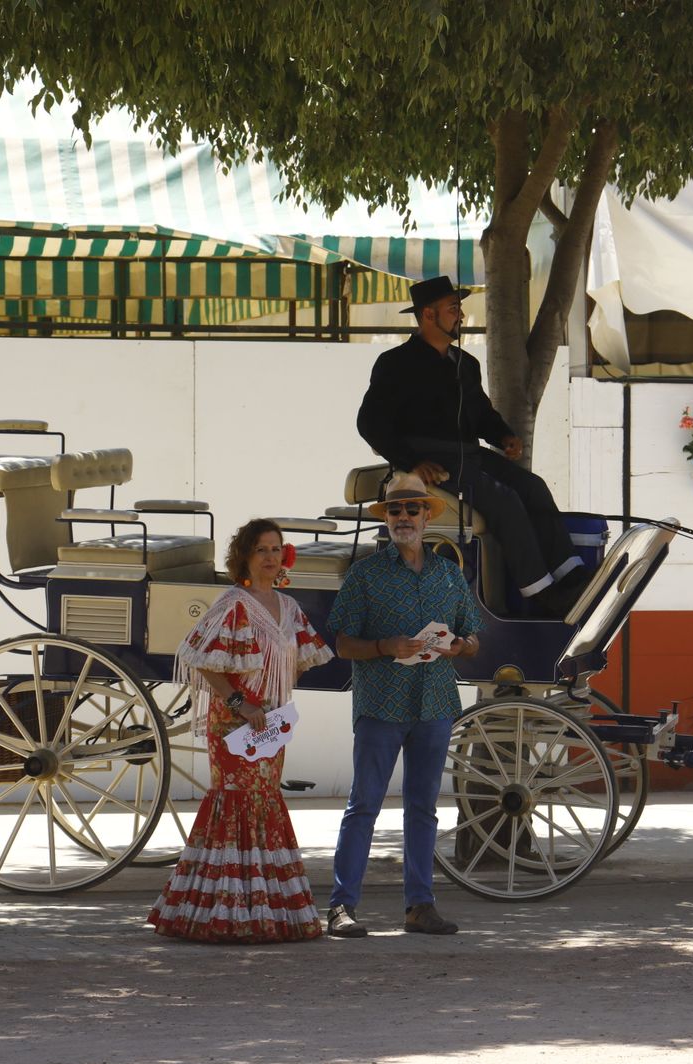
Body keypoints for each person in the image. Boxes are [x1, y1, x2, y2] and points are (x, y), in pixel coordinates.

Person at [355, 275, 588, 617]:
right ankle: (541, 591)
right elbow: (370, 423)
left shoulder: (467, 365)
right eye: (453, 309)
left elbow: (482, 416)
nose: (461, 316)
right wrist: (414, 462)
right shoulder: (395, 364)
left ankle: (572, 573)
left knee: (532, 486)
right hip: (431, 462)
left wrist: (504, 436)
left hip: (470, 455)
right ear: (428, 315)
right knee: (503, 500)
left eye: (459, 309)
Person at [147, 518, 334, 943]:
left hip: (269, 724)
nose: (270, 558)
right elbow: (200, 659)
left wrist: (278, 704)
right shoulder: (233, 603)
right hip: (235, 724)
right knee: (236, 801)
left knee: (264, 799)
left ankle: (264, 906)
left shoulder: (288, 608)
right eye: (262, 550)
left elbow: (298, 661)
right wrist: (240, 704)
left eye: (276, 549)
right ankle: (224, 909)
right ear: (246, 556)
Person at [323, 472, 482, 936]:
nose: (404, 517)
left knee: (423, 808)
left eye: (413, 508)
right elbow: (343, 642)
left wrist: (461, 646)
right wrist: (383, 647)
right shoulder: (365, 574)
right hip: (380, 705)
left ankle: (419, 906)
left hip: (434, 702)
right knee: (364, 805)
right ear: (387, 518)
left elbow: (471, 634)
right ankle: (341, 906)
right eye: (396, 510)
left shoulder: (449, 575)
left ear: (427, 515)